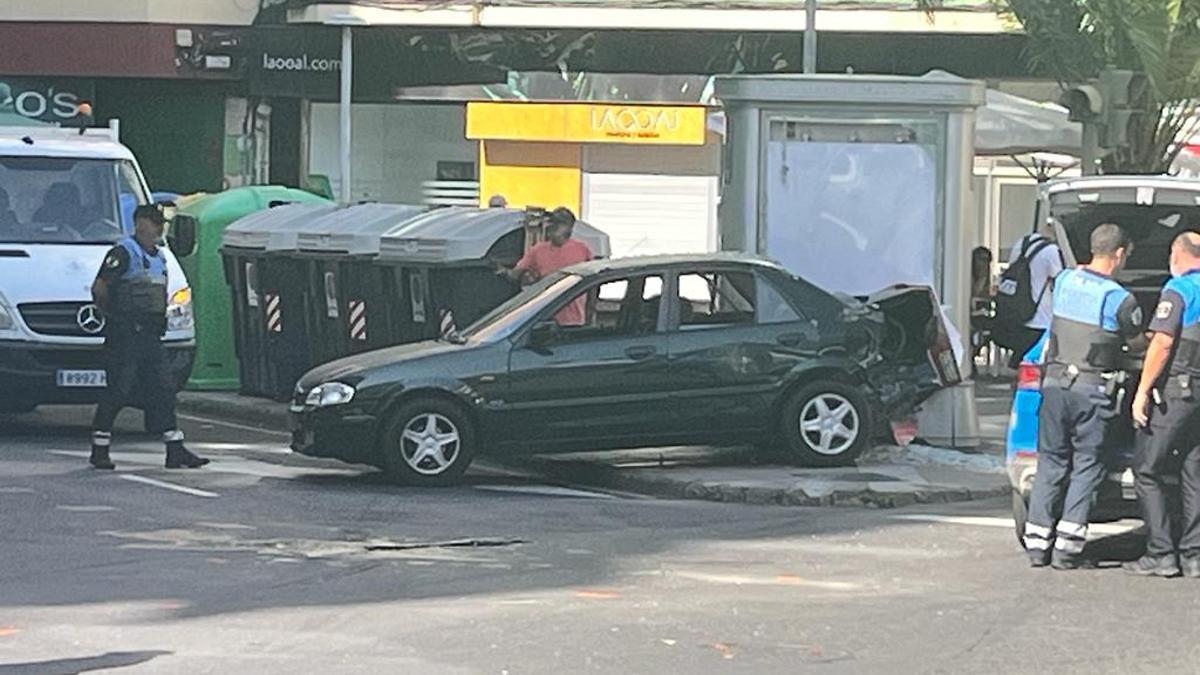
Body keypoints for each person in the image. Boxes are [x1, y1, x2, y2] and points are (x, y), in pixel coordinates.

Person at [1023, 224, 1142, 569]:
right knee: (1086, 464)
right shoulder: (1119, 299)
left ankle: (1037, 545)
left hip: (1055, 385)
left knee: (1051, 462)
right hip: (1092, 391)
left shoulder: (1064, 282)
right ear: (1119, 255)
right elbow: (1136, 343)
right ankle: (1067, 549)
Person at [88, 204, 208, 470]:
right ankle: (100, 448)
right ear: (140, 223)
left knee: (164, 389)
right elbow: (100, 288)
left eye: (160, 223)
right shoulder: (123, 253)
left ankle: (175, 449)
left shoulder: (160, 257)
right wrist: (114, 317)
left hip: (151, 336)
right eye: (154, 222)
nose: (159, 228)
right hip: (126, 336)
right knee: (119, 389)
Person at [1126, 232, 1200, 578]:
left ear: (1177, 253)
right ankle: (1194, 555)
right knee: (1193, 471)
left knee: (1148, 470)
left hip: (1178, 393)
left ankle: (1161, 552)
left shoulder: (1179, 290)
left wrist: (1142, 390)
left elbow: (1163, 344)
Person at [497, 207, 593, 325]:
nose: (552, 226)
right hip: (546, 320)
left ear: (569, 227)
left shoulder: (582, 250)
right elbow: (515, 275)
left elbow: (592, 283)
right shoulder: (537, 250)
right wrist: (504, 272)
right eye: (552, 222)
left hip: (575, 321)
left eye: (559, 223)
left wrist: (591, 313)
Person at [1003, 222, 1065, 368]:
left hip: (1017, 311)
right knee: (1036, 364)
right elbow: (1059, 279)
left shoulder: (1021, 243)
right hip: (1041, 315)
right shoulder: (1051, 250)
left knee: (1021, 362)